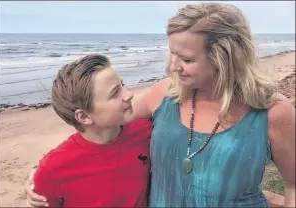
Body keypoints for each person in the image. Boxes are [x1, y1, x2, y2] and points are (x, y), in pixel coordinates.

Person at [26, 2, 295, 207]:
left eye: (186, 58)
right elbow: (100, 132)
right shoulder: (165, 94)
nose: (173, 66)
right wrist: (46, 171)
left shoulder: (273, 114)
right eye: (172, 53)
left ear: (225, 58)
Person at [27, 53, 153, 207]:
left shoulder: (145, 131)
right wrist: (38, 178)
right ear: (84, 116)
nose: (128, 94)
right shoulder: (52, 170)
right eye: (115, 93)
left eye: (122, 85)